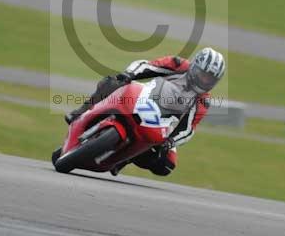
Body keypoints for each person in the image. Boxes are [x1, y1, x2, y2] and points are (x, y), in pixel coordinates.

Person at [63, 47, 225, 177]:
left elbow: (188, 129)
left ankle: (125, 158)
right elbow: (147, 65)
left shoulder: (203, 100)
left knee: (166, 165)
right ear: (194, 66)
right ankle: (81, 111)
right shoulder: (178, 65)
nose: (204, 81)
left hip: (162, 122)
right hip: (143, 96)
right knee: (112, 82)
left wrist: (170, 142)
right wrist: (129, 74)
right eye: (202, 75)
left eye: (210, 79)